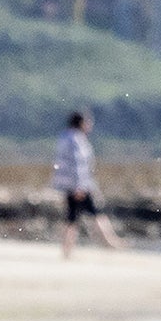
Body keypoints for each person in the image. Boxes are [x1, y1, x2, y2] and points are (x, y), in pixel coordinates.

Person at [50, 110, 123, 258]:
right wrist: (79, 186)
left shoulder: (64, 137)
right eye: (87, 122)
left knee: (73, 217)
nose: (90, 125)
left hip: (70, 184)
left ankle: (67, 249)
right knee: (93, 213)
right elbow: (78, 164)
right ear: (81, 123)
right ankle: (109, 242)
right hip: (79, 185)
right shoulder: (75, 140)